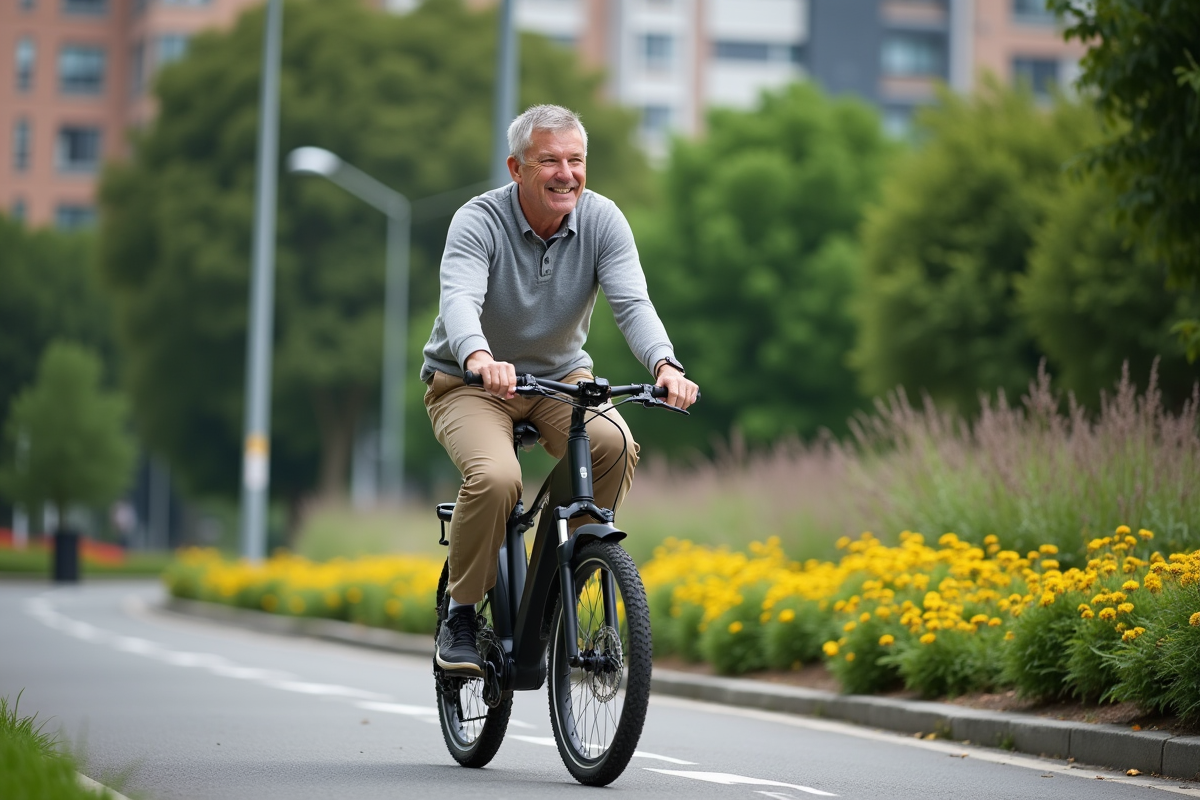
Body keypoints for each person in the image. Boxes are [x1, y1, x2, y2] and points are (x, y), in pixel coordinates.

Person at [422, 104, 699, 675]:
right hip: (469, 381)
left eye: (576, 160)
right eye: (549, 160)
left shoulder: (602, 221)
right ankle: (463, 613)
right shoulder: (477, 221)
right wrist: (479, 355)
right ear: (517, 167)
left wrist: (665, 365)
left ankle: (553, 578)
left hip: (558, 377)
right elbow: (459, 299)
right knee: (499, 479)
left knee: (614, 444)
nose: (566, 173)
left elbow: (632, 302)